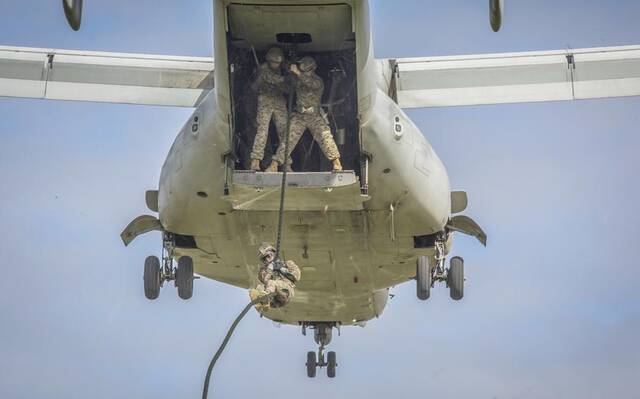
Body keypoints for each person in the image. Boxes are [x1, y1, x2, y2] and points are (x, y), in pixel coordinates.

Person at [267, 56, 342, 172]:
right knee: (287, 140)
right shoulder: (299, 79)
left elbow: (309, 83)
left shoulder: (317, 81)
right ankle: (274, 165)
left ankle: (336, 163)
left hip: (314, 116)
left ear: (310, 69)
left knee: (325, 138)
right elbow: (288, 87)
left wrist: (297, 72)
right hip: (300, 116)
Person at [250, 47, 289, 171]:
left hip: (278, 101)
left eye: (278, 63)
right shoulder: (263, 69)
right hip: (265, 102)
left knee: (285, 133)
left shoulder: (280, 70)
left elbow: (285, 88)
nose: (275, 65)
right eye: (273, 62)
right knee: (262, 132)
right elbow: (274, 79)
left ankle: (287, 163)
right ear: (268, 60)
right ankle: (255, 162)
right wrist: (289, 79)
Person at [249, 243, 301, 312]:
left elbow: (297, 277)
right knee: (256, 289)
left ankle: (265, 298)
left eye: (268, 256)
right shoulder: (264, 270)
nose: (267, 260)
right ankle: (262, 303)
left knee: (272, 282)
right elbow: (264, 279)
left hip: (286, 292)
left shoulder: (287, 263)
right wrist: (270, 269)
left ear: (273, 254)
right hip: (274, 301)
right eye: (264, 259)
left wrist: (282, 269)